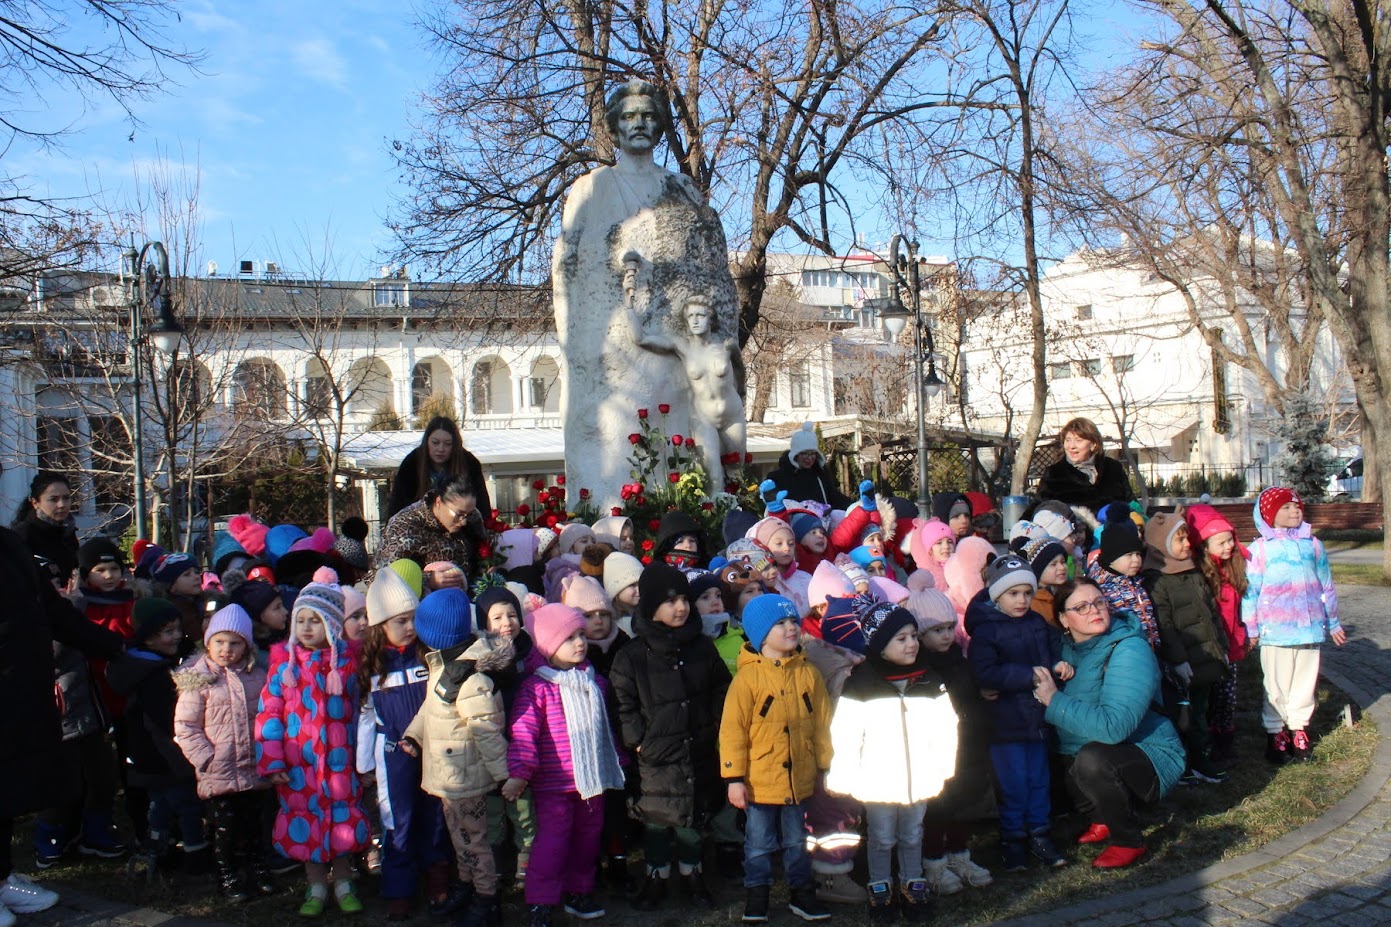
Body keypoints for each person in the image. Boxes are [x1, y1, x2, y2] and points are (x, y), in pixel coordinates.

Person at [0, 524, 126, 926]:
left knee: (6, 791)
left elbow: (52, 612)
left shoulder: (9, 544)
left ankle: (1, 878)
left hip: (20, 692)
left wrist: (116, 645)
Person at [1032, 579, 1186, 869]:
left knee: (1092, 759)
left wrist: (1054, 701)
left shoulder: (1130, 649)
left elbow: (1115, 727)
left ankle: (1129, 840)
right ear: (1064, 619)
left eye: (1099, 602)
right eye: (1082, 606)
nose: (1095, 610)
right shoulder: (1060, 652)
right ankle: (1101, 817)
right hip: (1095, 751)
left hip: (1148, 753)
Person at [610, 563, 732, 909]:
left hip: (696, 745)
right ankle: (656, 874)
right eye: (670, 601)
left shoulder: (701, 648)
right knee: (657, 818)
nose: (680, 607)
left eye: (683, 599)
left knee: (692, 814)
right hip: (655, 755)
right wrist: (638, 738)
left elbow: (722, 687)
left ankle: (692, 871)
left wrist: (713, 721)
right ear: (650, 607)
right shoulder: (632, 656)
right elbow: (622, 701)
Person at [826, 603, 958, 923]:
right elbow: (846, 733)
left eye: (913, 635)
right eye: (900, 639)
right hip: (878, 779)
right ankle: (880, 886)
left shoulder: (929, 679)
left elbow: (946, 725)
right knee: (883, 835)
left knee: (913, 832)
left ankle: (913, 883)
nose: (912, 643)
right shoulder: (861, 684)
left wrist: (942, 766)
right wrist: (844, 776)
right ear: (880, 645)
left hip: (920, 775)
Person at [504, 604, 626, 927]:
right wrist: (520, 772)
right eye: (568, 637)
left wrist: (618, 760)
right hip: (554, 784)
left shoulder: (594, 682)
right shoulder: (537, 689)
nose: (579, 643)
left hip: (592, 780)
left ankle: (579, 892)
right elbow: (523, 733)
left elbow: (604, 730)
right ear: (547, 645)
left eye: (581, 635)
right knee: (552, 842)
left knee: (588, 839)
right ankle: (540, 900)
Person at [255, 573, 369, 916]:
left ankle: (345, 883)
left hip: (340, 764)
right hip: (299, 769)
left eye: (315, 621)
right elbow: (268, 716)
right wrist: (272, 762)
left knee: (342, 824)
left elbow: (363, 714)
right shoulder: (284, 670)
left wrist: (365, 762)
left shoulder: (349, 666)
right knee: (306, 826)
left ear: (332, 626)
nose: (306, 628)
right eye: (300, 620)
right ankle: (316, 886)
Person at [718, 594, 832, 924]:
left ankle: (801, 893)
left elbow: (822, 724)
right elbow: (733, 732)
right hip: (758, 779)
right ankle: (757, 894)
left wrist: (824, 764)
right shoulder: (747, 680)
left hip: (799, 775)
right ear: (761, 634)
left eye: (793, 621)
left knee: (797, 840)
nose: (790, 628)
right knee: (758, 842)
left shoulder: (809, 674)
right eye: (780, 623)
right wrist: (734, 777)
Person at [403, 588, 511, 927]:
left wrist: (504, 775)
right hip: (449, 774)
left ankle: (487, 899)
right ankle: (466, 885)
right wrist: (414, 734)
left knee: (474, 841)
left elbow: (486, 730)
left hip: (467, 777)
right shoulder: (442, 666)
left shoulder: (469, 679)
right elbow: (430, 710)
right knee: (459, 837)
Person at [356, 568, 454, 920]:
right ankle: (399, 888)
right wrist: (364, 762)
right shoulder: (373, 665)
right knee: (398, 818)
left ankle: (438, 878)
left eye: (414, 618)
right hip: (393, 753)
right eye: (401, 621)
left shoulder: (428, 656)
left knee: (435, 814)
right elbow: (367, 716)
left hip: (432, 748)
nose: (410, 627)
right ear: (380, 624)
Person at [964, 554, 1071, 871]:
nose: (1022, 600)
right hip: (1006, 723)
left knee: (1039, 780)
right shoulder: (987, 630)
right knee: (1013, 784)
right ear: (998, 594)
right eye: (1013, 594)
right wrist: (1027, 676)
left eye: (1027, 592)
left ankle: (1040, 834)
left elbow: (1049, 652)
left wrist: (1058, 665)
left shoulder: (1036, 622)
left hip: (1037, 720)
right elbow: (984, 671)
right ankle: (1013, 840)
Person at [172, 604, 273, 902]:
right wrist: (207, 758)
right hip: (219, 769)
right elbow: (186, 726)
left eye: (235, 643)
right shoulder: (198, 679)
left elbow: (269, 716)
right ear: (208, 642)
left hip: (253, 766)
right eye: (220, 641)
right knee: (224, 827)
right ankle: (226, 874)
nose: (226, 649)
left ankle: (257, 866)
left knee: (254, 822)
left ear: (246, 645)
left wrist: (268, 751)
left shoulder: (257, 675)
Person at [1241, 488, 1345, 764]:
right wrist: (1251, 630)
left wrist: (1332, 621)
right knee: (1276, 685)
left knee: (1304, 683)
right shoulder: (1260, 550)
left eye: (1297, 507)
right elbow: (1250, 593)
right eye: (1286, 508)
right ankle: (1275, 733)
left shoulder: (1313, 545)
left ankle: (1298, 728)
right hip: (1275, 632)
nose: (1294, 512)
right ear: (1269, 513)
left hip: (1309, 631)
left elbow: (1326, 585)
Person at [106, 598, 210, 871]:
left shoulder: (144, 663)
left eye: (178, 629)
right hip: (163, 752)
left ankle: (155, 845)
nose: (177, 636)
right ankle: (195, 851)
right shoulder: (153, 674)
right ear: (149, 637)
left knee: (162, 803)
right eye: (168, 632)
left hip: (146, 754)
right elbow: (165, 719)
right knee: (186, 803)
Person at [1142, 512, 1229, 783]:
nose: (1187, 545)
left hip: (1205, 657)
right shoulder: (1157, 581)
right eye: (1179, 540)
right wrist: (1178, 660)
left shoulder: (1192, 572)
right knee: (1185, 715)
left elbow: (1211, 613)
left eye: (1186, 538)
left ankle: (1199, 757)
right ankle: (1188, 761)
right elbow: (1165, 626)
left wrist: (1221, 646)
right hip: (1186, 663)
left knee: (1201, 710)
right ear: (1161, 545)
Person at [629, 293, 746, 488]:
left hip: (733, 414)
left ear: (711, 319)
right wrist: (628, 307)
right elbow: (640, 339)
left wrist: (740, 392)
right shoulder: (682, 346)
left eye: (700, 315)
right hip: (703, 417)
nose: (695, 320)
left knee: (737, 471)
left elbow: (740, 369)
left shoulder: (726, 346)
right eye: (690, 316)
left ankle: (740, 514)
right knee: (714, 478)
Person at [1185, 504, 1251, 762]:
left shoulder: (1234, 566)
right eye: (1221, 542)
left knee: (1227, 693)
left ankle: (1224, 736)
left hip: (1232, 641)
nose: (1229, 547)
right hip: (1210, 644)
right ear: (1203, 545)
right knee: (1209, 694)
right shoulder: (1199, 572)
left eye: (1230, 540)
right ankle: (1206, 738)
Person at [375, 475, 489, 586]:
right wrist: (428, 580)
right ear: (439, 502)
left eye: (468, 515)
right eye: (458, 514)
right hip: (422, 601)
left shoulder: (472, 515)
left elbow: (484, 551)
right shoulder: (404, 525)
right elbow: (380, 577)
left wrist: (489, 567)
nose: (464, 522)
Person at [388, 416, 491, 519]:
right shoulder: (411, 465)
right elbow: (397, 508)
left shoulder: (469, 464)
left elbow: (482, 506)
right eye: (435, 443)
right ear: (427, 442)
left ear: (455, 445)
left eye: (447, 444)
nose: (441, 449)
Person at [1035, 418, 1134, 515]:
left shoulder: (1113, 468)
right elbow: (1037, 508)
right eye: (1068, 440)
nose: (1071, 446)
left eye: (1078, 440)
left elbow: (1131, 503)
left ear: (1094, 444)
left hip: (1110, 530)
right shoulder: (1054, 473)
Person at [11, 471, 78, 582]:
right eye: (53, 499)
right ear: (35, 502)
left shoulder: (68, 531)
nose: (62, 505)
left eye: (66, 498)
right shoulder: (22, 535)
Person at [768, 423, 852, 509]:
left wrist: (854, 506)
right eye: (805, 453)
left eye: (813, 453)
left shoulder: (820, 474)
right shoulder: (779, 477)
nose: (809, 458)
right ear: (795, 454)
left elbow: (833, 496)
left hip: (822, 519)